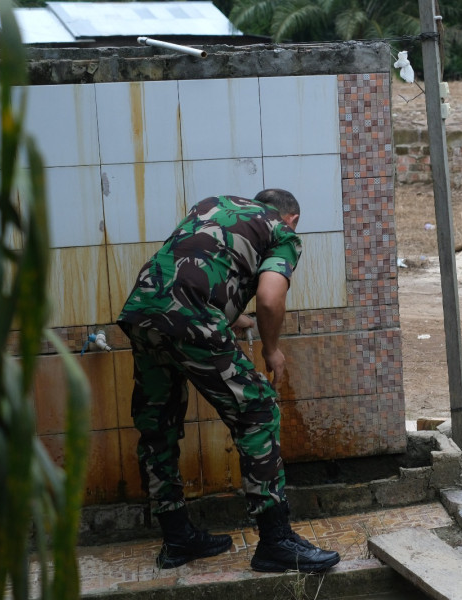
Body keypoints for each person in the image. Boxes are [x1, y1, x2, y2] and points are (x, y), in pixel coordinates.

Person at [117, 189, 340, 573]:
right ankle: (275, 541)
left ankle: (176, 538)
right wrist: (272, 349)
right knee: (258, 409)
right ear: (293, 219)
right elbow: (270, 299)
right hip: (189, 316)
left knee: (158, 423)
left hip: (143, 311)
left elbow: (197, 266)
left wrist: (230, 315)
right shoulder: (282, 232)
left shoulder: (213, 205)